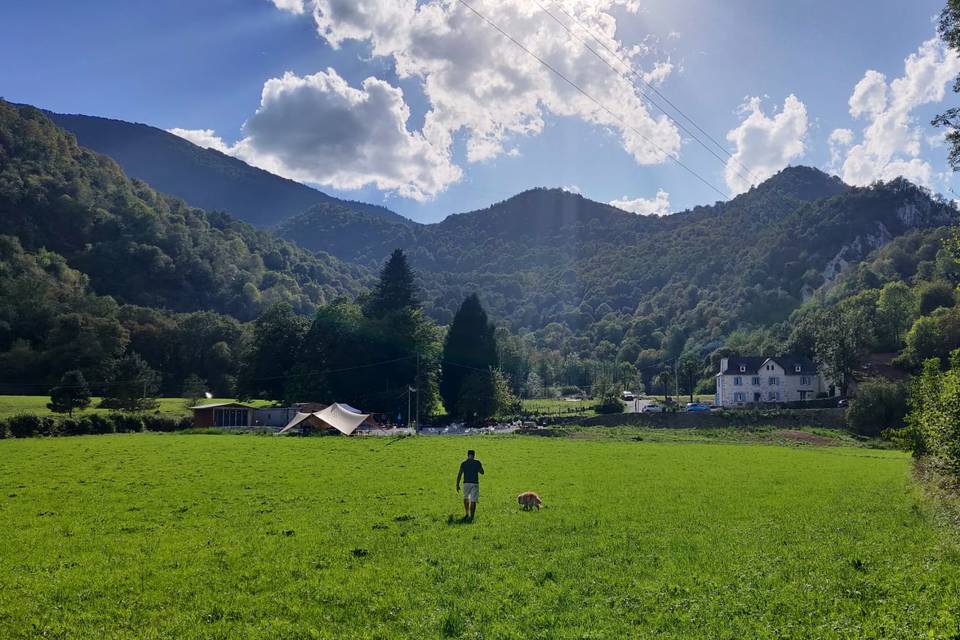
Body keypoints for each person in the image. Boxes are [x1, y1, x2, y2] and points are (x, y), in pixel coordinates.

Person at [456, 449, 484, 520]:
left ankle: (466, 513)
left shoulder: (464, 463)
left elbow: (459, 474)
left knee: (466, 498)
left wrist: (457, 484)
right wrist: (476, 468)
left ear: (467, 455)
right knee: (473, 500)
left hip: (466, 483)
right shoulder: (477, 462)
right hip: (474, 483)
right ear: (474, 455)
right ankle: (472, 517)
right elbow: (482, 472)